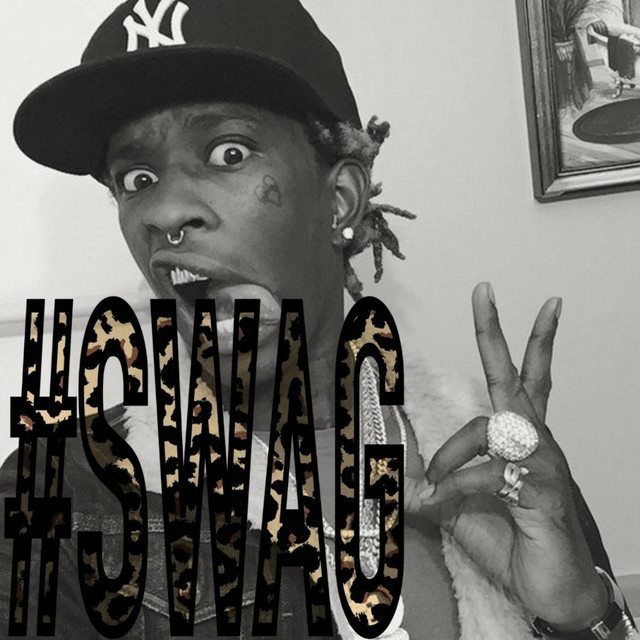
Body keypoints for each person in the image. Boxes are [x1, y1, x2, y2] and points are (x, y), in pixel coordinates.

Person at [0, 0, 635, 638]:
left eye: (228, 153)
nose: (164, 213)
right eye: (136, 178)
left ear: (340, 201)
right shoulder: (61, 492)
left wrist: (581, 614)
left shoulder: (495, 452)